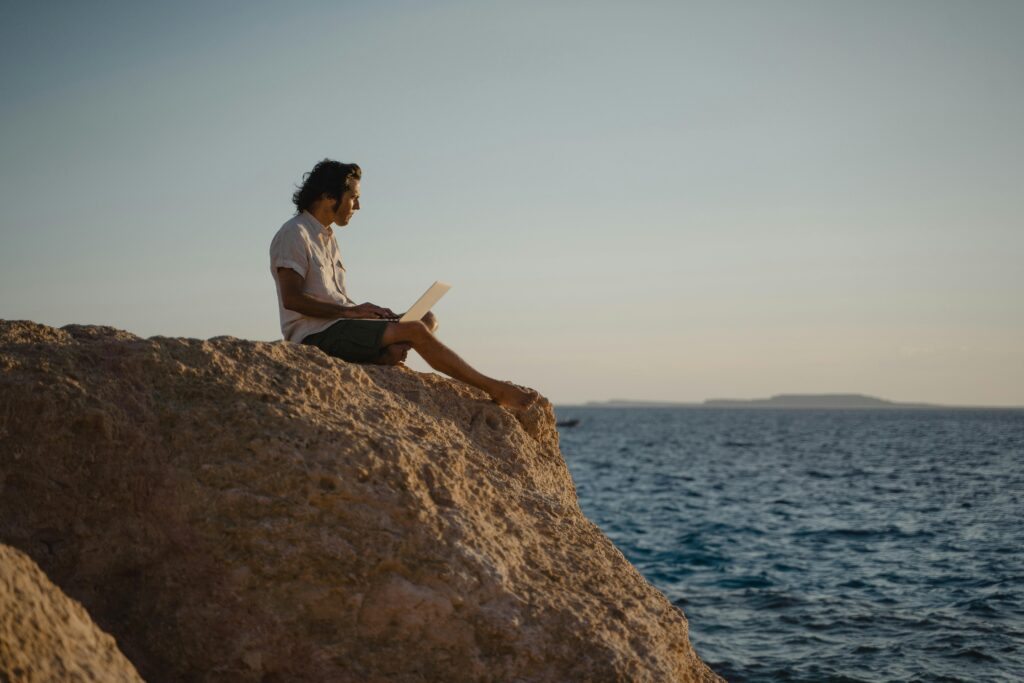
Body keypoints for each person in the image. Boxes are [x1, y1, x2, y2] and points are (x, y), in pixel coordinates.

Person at [269, 159, 537, 411]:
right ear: (328, 196)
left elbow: (332, 297)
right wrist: (352, 312)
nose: (358, 207)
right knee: (416, 331)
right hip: (316, 335)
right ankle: (494, 388)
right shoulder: (295, 233)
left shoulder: (328, 238)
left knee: (426, 318)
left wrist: (363, 312)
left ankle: (383, 357)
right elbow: (292, 299)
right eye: (353, 198)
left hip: (341, 326)